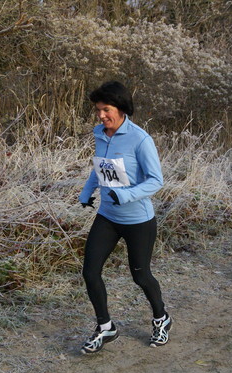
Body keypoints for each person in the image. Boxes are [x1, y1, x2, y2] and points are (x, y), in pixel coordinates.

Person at [78, 81, 171, 354]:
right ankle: (105, 327)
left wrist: (126, 195)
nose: (101, 116)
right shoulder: (100, 133)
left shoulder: (141, 139)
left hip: (137, 220)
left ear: (121, 108)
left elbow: (156, 181)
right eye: (98, 110)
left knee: (140, 275)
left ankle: (161, 318)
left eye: (106, 110)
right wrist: (87, 192)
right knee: (90, 272)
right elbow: (100, 167)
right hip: (107, 215)